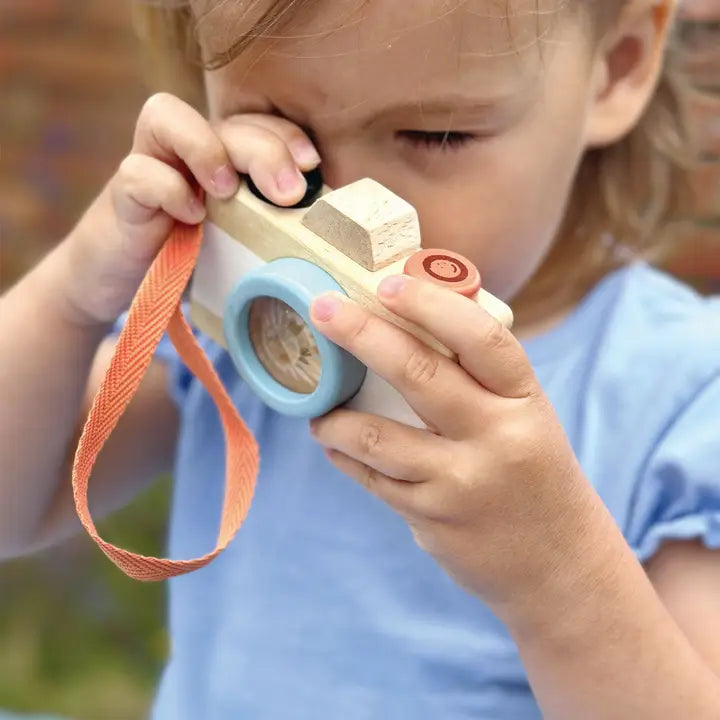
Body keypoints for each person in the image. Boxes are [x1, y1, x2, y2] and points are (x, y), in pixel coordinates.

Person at [1, 0, 719, 717]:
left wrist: (554, 571)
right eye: (286, 131)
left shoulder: (679, 391)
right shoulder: (230, 313)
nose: (347, 204)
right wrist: (73, 298)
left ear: (615, 69)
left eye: (433, 134)